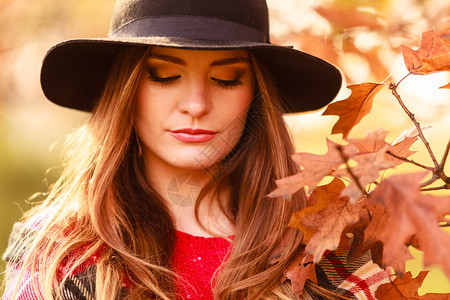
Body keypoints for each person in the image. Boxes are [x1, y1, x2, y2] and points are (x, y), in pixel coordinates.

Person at [2, 0, 390, 299]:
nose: (197, 104)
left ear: (255, 95)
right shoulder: (61, 252)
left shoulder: (330, 254)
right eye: (165, 75)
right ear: (127, 91)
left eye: (225, 78)